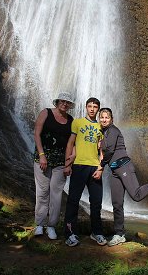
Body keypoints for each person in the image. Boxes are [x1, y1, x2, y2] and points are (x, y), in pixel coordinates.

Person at [96, 108, 148, 247]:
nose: (104, 120)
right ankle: (119, 234)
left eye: (107, 117)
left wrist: (101, 165)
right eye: (102, 117)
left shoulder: (113, 131)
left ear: (112, 119)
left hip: (124, 167)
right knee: (117, 203)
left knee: (136, 194)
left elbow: (109, 151)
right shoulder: (103, 132)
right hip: (114, 170)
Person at [63, 97, 107, 247]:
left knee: (96, 202)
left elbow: (102, 150)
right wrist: (67, 164)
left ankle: (97, 232)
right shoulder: (77, 122)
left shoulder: (101, 127)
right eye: (90, 106)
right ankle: (70, 233)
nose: (92, 109)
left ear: (98, 109)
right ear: (86, 107)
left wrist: (101, 168)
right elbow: (70, 143)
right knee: (73, 200)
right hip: (79, 165)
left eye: (95, 107)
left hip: (95, 167)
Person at [33, 92, 75, 240]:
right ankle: (39, 224)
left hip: (60, 163)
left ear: (70, 105)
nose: (65, 104)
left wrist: (69, 163)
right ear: (57, 102)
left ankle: (51, 226)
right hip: (43, 159)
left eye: (67, 102)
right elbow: (37, 134)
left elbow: (73, 143)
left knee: (56, 194)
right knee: (42, 191)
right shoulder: (46, 113)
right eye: (62, 101)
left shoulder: (71, 120)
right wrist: (42, 155)